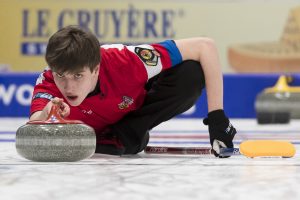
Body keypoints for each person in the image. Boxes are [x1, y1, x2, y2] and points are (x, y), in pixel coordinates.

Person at [30, 25, 237, 157]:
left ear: (95, 69)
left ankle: (126, 134)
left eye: (77, 76)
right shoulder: (49, 83)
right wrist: (46, 115)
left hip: (133, 116)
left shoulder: (128, 60)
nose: (68, 87)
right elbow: (33, 127)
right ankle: (117, 139)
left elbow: (205, 46)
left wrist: (217, 117)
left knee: (190, 74)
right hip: (97, 134)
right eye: (61, 76)